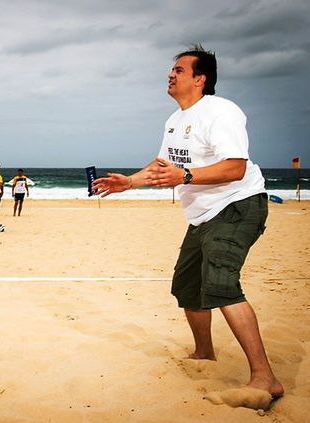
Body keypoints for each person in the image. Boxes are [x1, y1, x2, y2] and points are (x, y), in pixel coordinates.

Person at [93, 44, 283, 403]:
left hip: (238, 206)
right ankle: (204, 353)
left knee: (221, 283)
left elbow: (235, 167)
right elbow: (162, 164)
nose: (171, 74)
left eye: (179, 70)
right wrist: (129, 183)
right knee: (187, 286)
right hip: (203, 214)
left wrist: (187, 174)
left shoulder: (220, 111)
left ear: (200, 79)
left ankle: (264, 378)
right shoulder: (175, 120)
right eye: (172, 69)